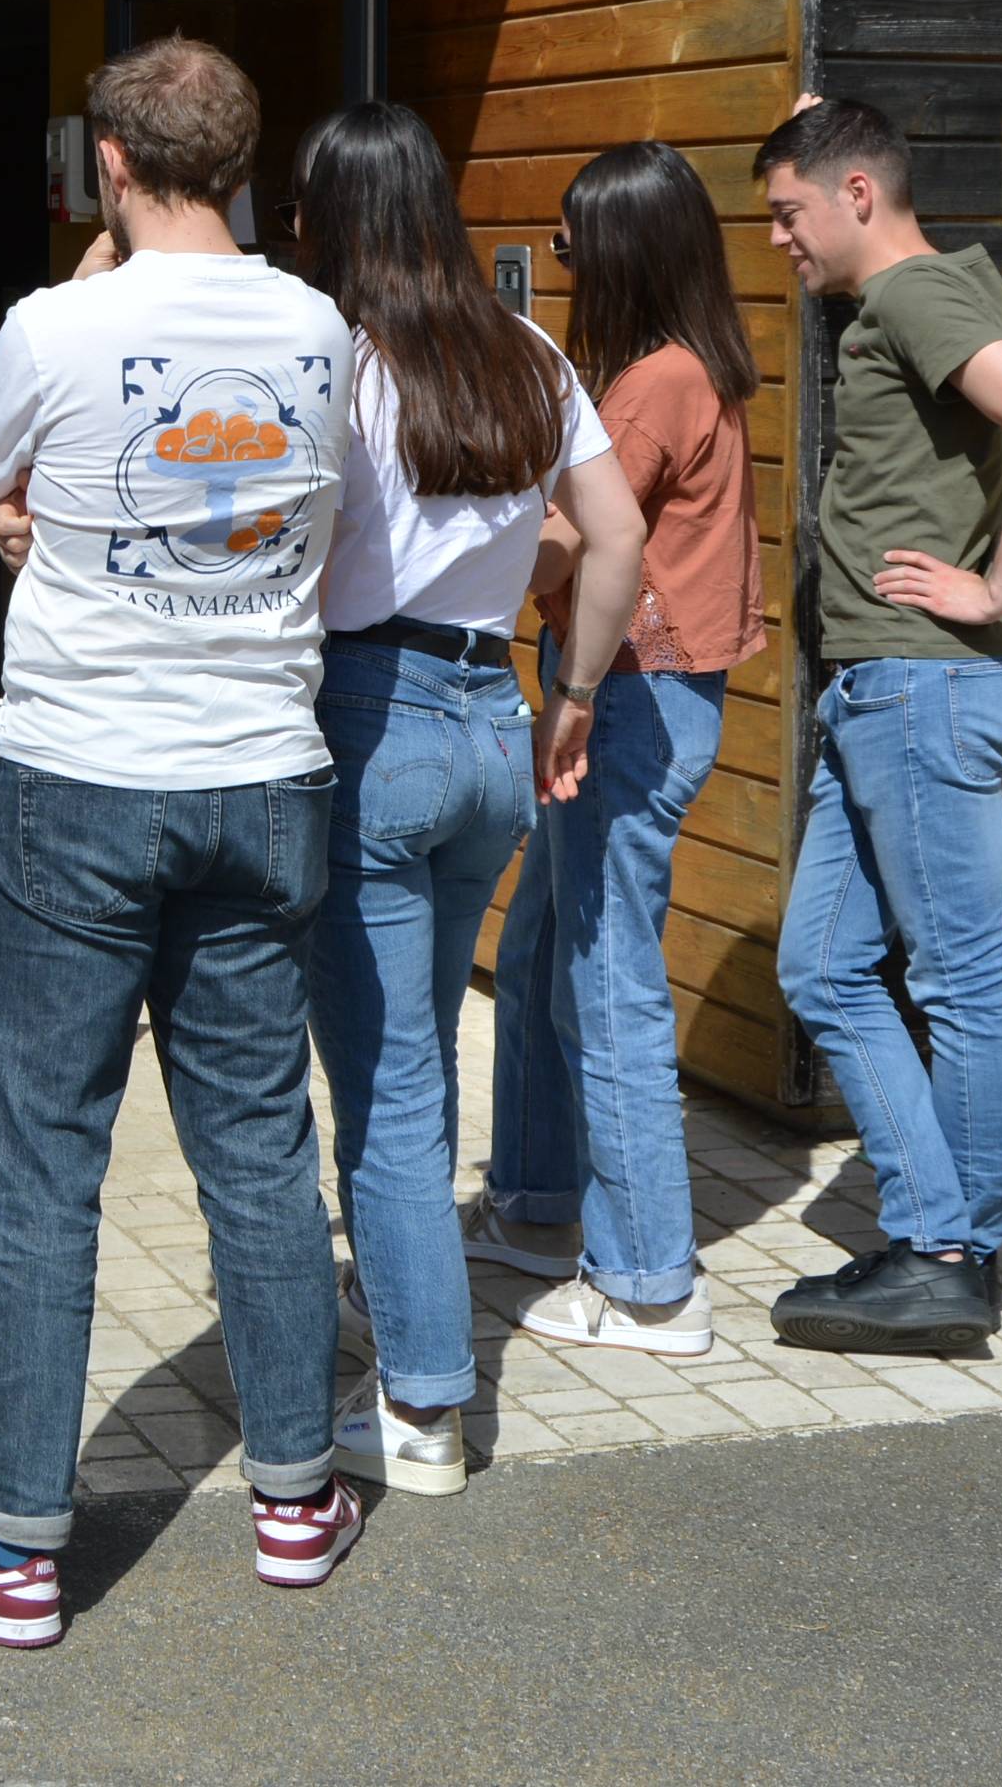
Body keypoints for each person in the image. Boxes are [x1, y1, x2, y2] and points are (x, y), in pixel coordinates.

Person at [0, 37, 361, 1649]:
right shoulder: (318, 325)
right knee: (264, 1152)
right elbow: (305, 515)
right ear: (246, 160)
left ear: (112, 167)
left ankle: (9, 1550)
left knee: (41, 1169)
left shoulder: (53, 324)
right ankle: (294, 1496)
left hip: (80, 777)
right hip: (265, 773)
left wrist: (36, 528)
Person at [295, 105, 643, 1498]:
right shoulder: (532, 351)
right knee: (420, 1057)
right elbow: (612, 540)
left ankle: (426, 1405)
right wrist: (576, 695)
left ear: (333, 220)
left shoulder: (341, 363)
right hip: (496, 716)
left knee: (385, 1092)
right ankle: (401, 1296)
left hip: (372, 722)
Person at [749, 96, 1002, 1356]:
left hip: (921, 681)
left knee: (954, 980)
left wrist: (995, 589)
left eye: (787, 212)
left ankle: (947, 1251)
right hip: (882, 689)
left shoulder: (912, 298)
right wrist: (805, 119)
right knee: (823, 969)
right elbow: (838, 176)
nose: (777, 238)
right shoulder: (916, 287)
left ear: (852, 197)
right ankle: (945, 1228)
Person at [490, 140, 768, 1359]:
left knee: (604, 989)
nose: (556, 260)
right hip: (658, 693)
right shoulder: (693, 368)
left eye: (567, 239)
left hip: (626, 700)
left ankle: (649, 1282)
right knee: (550, 941)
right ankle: (541, 1201)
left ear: (616, 251)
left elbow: (570, 544)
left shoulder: (651, 384)